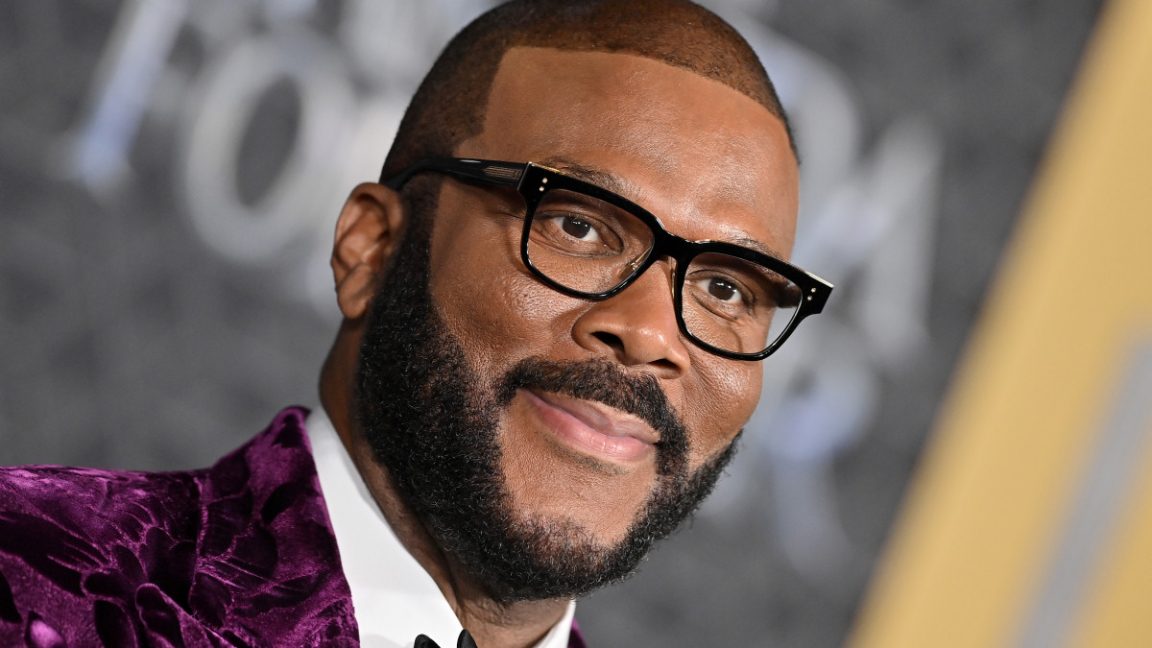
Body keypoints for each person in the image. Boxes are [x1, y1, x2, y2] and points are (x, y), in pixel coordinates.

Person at [0, 1, 832, 646]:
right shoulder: (32, 581)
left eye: (727, 288)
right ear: (371, 248)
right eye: (578, 226)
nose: (651, 333)